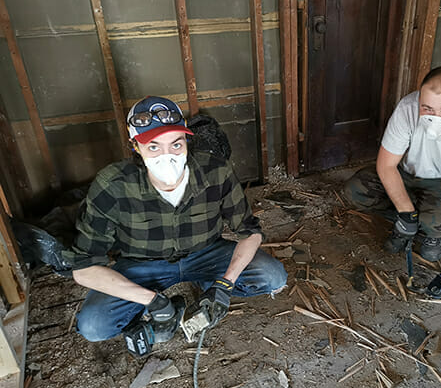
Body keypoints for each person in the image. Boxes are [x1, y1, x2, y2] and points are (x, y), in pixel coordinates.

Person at [64, 96, 287, 343]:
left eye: (176, 145)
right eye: (153, 147)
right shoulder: (113, 185)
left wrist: (225, 283)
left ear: (187, 142)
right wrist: (152, 301)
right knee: (94, 327)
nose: (167, 156)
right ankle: (158, 304)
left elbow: (250, 232)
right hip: (142, 265)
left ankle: (208, 284)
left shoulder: (215, 171)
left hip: (206, 253)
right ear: (136, 147)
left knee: (272, 276)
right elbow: (84, 270)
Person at [344, 66, 441, 299]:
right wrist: (406, 212)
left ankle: (430, 230)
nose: (436, 118)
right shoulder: (408, 109)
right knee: (356, 191)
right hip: (405, 172)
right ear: (420, 101)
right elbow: (386, 165)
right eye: (428, 108)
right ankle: (411, 219)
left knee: (437, 225)